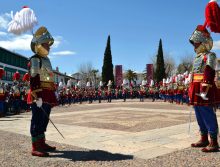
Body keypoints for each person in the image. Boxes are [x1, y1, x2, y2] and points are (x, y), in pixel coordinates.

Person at [27, 27, 57, 157]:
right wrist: (37, 96)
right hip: (38, 93)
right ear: (39, 45)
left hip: (48, 92)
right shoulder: (35, 59)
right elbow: (34, 78)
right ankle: (35, 146)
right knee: (37, 118)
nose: (49, 47)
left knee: (45, 118)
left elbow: (49, 78)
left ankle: (42, 142)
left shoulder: (47, 60)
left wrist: (53, 91)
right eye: (46, 45)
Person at [189, 25, 219, 152]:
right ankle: (204, 138)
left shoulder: (210, 55)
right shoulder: (196, 58)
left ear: (203, 43)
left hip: (204, 87)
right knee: (198, 113)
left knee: (207, 113)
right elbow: (193, 74)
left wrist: (205, 87)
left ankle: (213, 141)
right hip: (195, 87)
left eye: (196, 43)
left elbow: (209, 71)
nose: (194, 46)